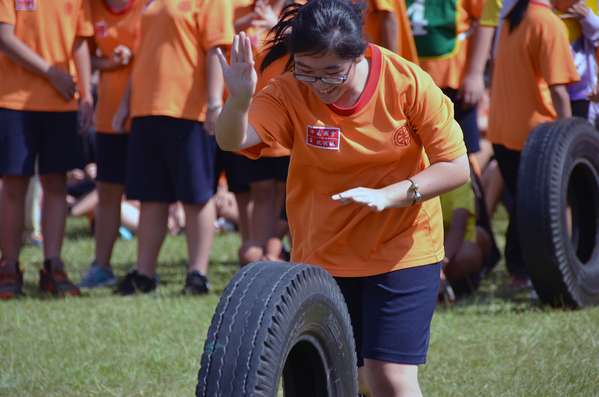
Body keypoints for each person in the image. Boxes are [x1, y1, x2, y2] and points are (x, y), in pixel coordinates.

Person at [214, 1, 470, 395]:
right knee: (347, 376)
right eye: (307, 71)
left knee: (392, 378)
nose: (320, 84)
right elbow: (235, 139)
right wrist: (240, 99)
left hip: (402, 247)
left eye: (332, 72)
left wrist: (391, 195)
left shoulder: (407, 83)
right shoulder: (288, 88)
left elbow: (455, 166)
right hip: (323, 253)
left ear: (360, 53)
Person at [111, 0, 235, 295]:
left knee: (196, 194)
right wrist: (126, 104)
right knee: (151, 196)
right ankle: (144, 274)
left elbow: (216, 49)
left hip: (188, 109)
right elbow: (144, 53)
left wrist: (215, 103)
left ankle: (197, 275)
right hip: (146, 108)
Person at [0, 0, 94, 299]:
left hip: (61, 100)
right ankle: (9, 268)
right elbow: (4, 37)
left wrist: (87, 95)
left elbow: (79, 42)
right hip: (14, 100)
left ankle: (53, 267)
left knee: (56, 183)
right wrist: (51, 73)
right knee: (14, 184)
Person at [487, 0, 580, 289]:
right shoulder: (548, 23)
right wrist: (569, 142)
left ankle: (519, 269)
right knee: (541, 207)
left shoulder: (512, 19)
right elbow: (559, 91)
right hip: (535, 136)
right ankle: (526, 269)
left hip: (502, 132)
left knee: (523, 205)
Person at [77, 0, 147, 289]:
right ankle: (102, 266)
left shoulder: (149, 5)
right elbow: (81, 54)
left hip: (147, 111)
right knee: (107, 191)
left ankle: (146, 270)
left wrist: (135, 55)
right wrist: (109, 62)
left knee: (153, 195)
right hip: (108, 115)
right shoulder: (89, 7)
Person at [406, 0, 486, 156]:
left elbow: (486, 17)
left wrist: (475, 73)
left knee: (462, 153)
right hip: (408, 84)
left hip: (454, 80)